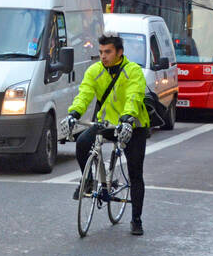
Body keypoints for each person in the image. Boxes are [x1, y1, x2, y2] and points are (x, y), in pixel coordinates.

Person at [63, 32, 151, 236]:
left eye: (108, 52)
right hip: (105, 122)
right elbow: (84, 94)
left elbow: (134, 97)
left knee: (136, 172)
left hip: (132, 126)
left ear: (119, 52)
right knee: (82, 143)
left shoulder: (133, 71)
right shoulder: (94, 71)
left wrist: (127, 118)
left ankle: (136, 219)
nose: (103, 56)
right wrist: (73, 113)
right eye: (101, 52)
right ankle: (91, 181)